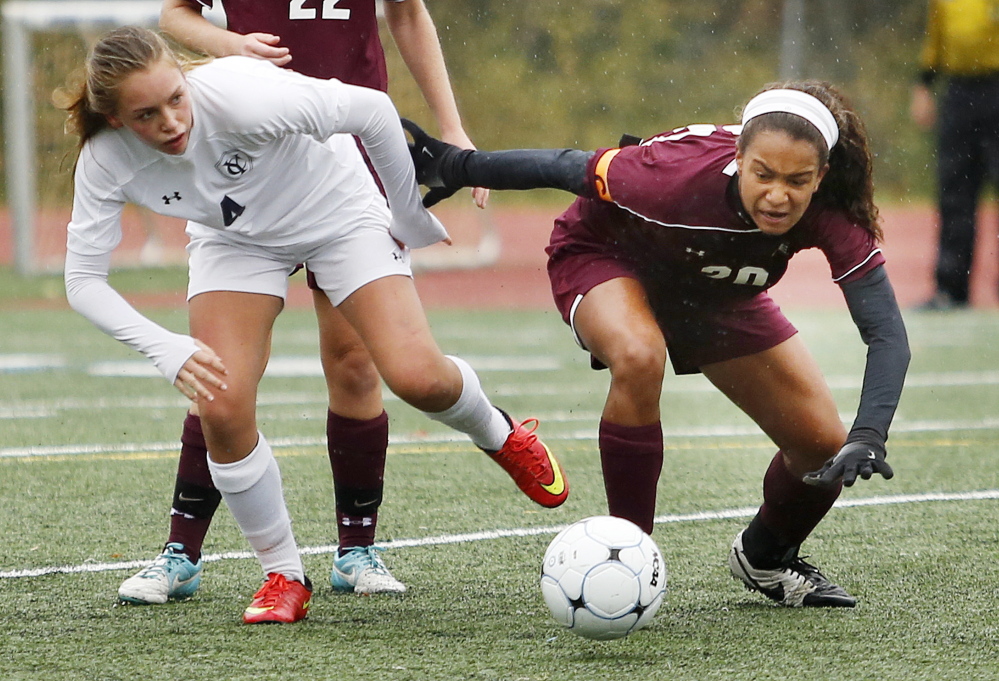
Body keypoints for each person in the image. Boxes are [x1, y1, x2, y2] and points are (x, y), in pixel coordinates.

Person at [58, 26, 567, 623]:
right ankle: (282, 573)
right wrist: (163, 348)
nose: (172, 122)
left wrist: (405, 215)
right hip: (236, 240)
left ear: (183, 77)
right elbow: (83, 281)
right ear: (114, 119)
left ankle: (499, 432)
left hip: (338, 213)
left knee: (417, 378)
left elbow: (374, 111)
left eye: (176, 98)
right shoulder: (104, 160)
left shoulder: (243, 95)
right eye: (147, 114)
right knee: (219, 404)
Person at [402, 79, 910, 607]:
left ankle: (767, 557)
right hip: (610, 255)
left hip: (718, 290)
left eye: (797, 180)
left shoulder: (833, 211)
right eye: (763, 174)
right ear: (738, 157)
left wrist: (868, 433)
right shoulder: (670, 175)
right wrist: (454, 166)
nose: (778, 195)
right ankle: (629, 554)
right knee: (641, 355)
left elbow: (887, 333)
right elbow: (561, 166)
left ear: (822, 176)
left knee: (822, 447)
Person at [116, 0, 491, 605]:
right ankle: (181, 551)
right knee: (220, 376)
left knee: (354, 361)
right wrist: (227, 44)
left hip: (347, 155)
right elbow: (175, 15)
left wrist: (451, 125)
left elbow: (408, 14)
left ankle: (357, 548)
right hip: (239, 157)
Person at [910, 0, 999, 310]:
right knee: (954, 191)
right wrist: (924, 84)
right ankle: (951, 288)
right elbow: (936, 40)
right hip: (959, 93)